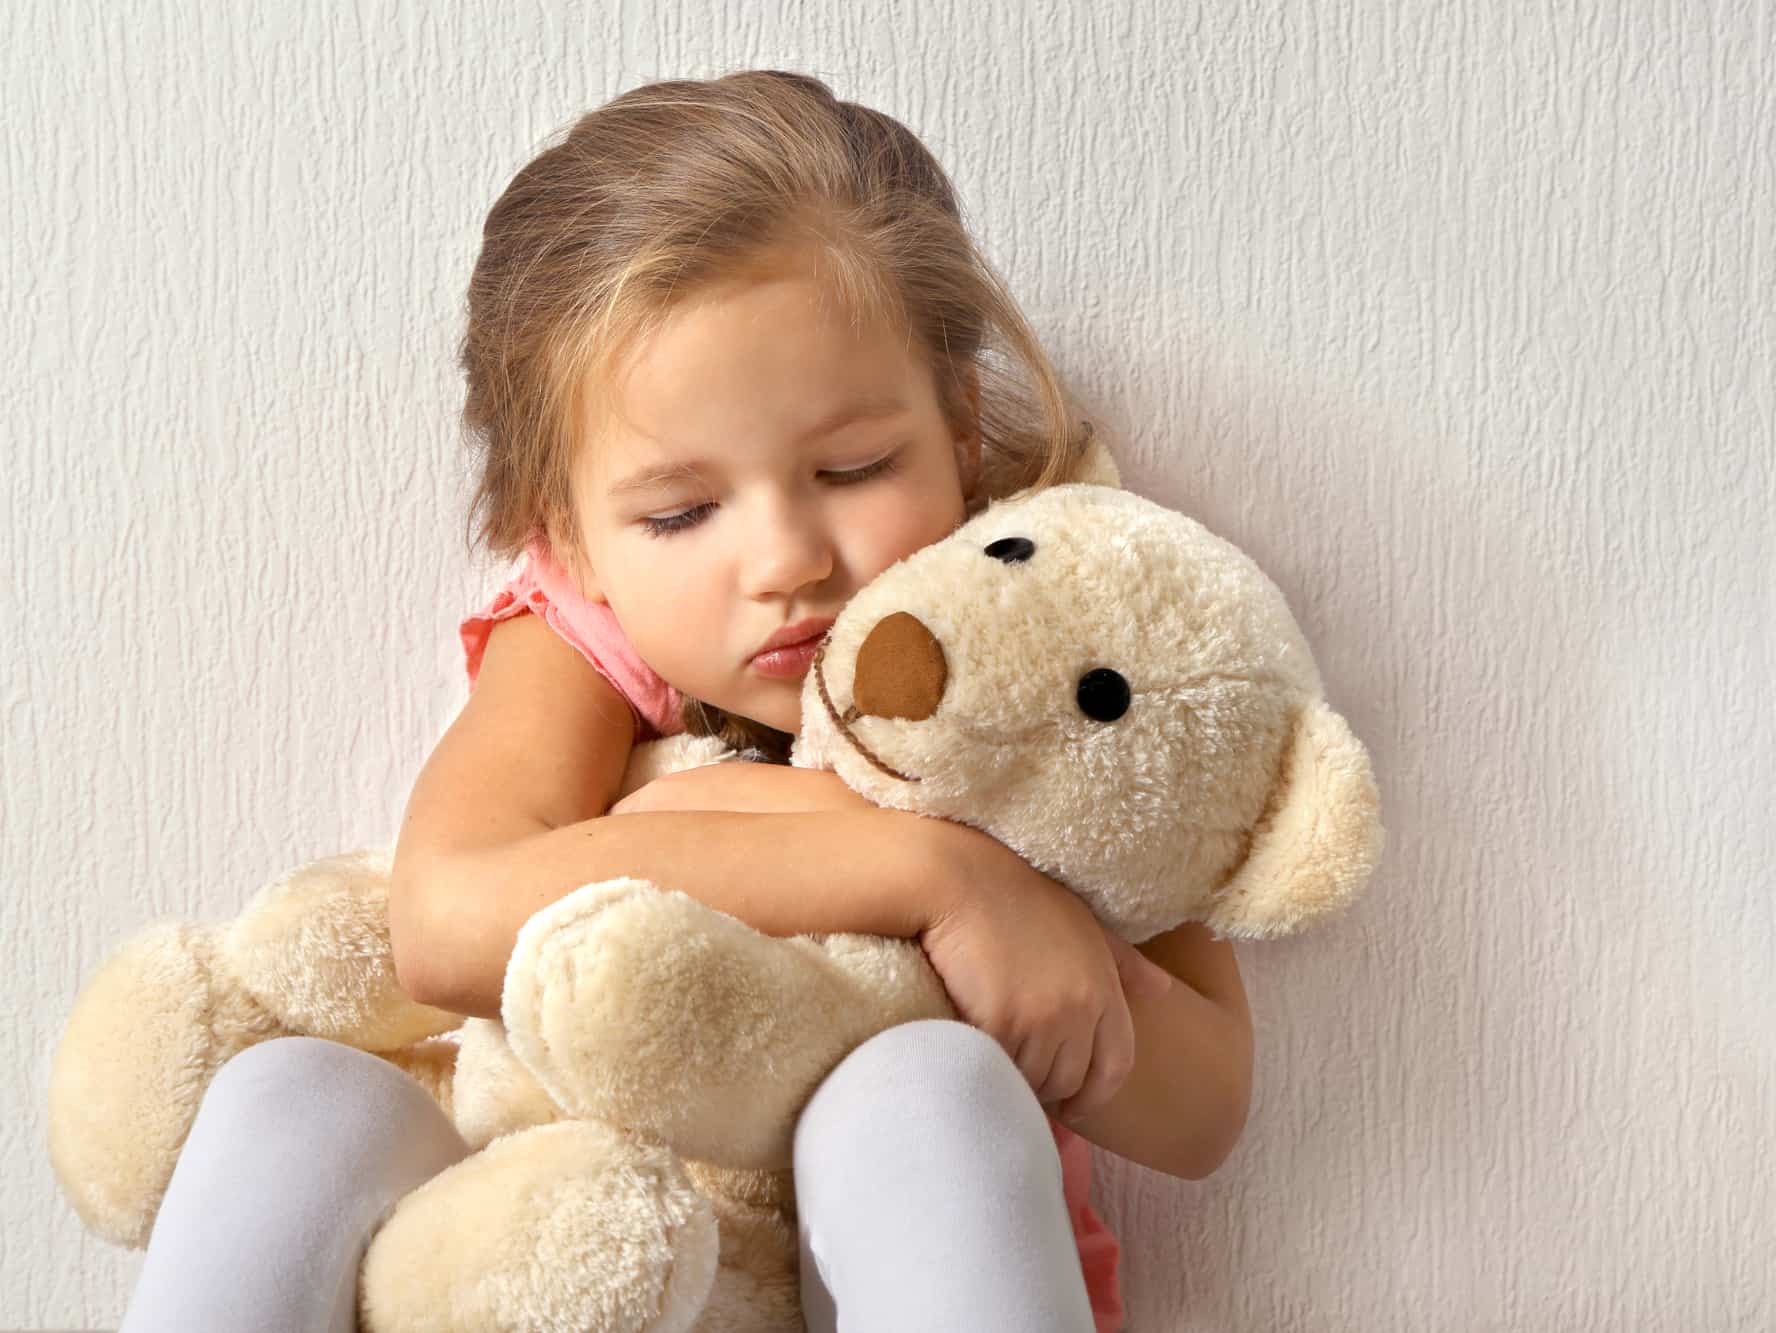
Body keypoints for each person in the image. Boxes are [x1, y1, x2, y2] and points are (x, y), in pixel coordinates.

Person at [118, 69, 1253, 1333]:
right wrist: (947, 880)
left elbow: (1205, 1112)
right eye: (678, 512)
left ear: (962, 433)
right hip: (605, 1273)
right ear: (572, 536)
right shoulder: (591, 646)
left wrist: (1061, 967)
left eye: (855, 467)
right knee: (292, 1101)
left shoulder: (1044, 640)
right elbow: (443, 921)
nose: (786, 559)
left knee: (924, 1084)